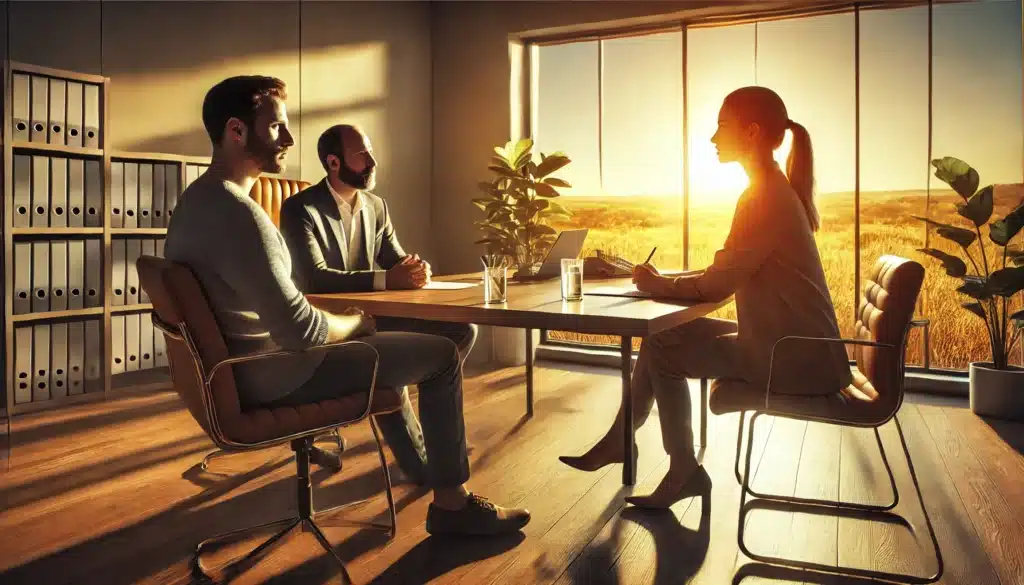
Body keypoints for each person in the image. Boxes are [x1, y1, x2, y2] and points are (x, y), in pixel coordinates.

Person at [165, 75, 529, 536]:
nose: (290, 139)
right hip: (277, 374)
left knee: (425, 344)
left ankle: (427, 459)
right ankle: (452, 506)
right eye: (277, 127)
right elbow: (300, 330)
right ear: (236, 131)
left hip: (241, 372)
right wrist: (354, 323)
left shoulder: (197, 203)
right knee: (438, 357)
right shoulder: (241, 215)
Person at [559, 86, 853, 509]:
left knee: (664, 353)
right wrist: (666, 281)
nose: (713, 138)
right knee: (665, 335)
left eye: (721, 126)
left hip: (792, 357)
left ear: (751, 133)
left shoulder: (764, 197)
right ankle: (623, 441)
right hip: (796, 345)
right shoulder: (769, 188)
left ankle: (682, 471)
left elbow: (717, 286)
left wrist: (659, 285)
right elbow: (726, 269)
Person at [279, 124, 478, 485]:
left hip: (375, 319)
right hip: (330, 325)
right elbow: (314, 278)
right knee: (391, 368)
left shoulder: (376, 206)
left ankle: (429, 428)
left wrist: (415, 270)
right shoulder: (300, 209)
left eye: (370, 152)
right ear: (334, 163)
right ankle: (422, 463)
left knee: (461, 331)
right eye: (362, 155)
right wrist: (388, 279)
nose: (372, 161)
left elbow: (395, 260)